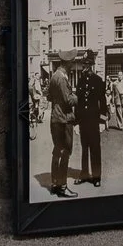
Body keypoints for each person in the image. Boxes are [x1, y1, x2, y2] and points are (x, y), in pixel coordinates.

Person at [42, 60, 77, 197]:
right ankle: (62, 187)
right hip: (64, 120)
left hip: (55, 119)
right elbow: (69, 100)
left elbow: (49, 96)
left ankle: (55, 184)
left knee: (57, 150)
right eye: (71, 65)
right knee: (66, 152)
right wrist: (77, 96)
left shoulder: (53, 76)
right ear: (67, 65)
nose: (72, 67)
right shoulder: (62, 78)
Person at [75, 61, 109, 187]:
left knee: (95, 149)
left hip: (94, 121)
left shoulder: (98, 80)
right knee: (84, 149)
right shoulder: (80, 81)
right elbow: (78, 103)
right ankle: (84, 175)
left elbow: (103, 102)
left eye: (85, 65)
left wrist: (102, 121)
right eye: (83, 65)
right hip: (83, 122)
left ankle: (96, 176)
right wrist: (76, 123)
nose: (83, 67)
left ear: (90, 66)